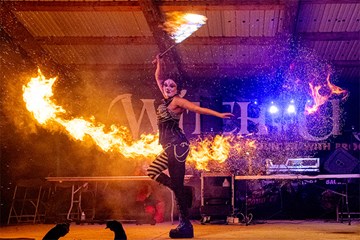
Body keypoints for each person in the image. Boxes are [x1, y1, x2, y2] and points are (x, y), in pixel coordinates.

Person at [147, 54, 234, 238]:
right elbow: (158, 77)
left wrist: (219, 115)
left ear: (177, 89)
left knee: (174, 184)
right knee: (153, 171)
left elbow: (198, 109)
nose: (168, 88)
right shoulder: (166, 98)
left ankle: (186, 226)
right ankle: (183, 190)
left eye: (172, 86)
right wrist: (159, 63)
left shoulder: (178, 101)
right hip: (170, 147)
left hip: (178, 146)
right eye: (166, 86)